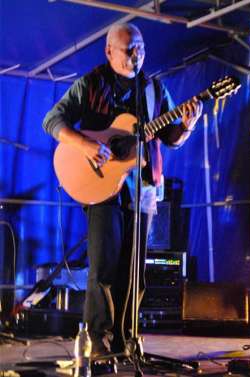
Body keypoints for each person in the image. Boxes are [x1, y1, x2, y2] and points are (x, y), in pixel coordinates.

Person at [42, 23, 203, 356]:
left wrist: (187, 125)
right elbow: (52, 120)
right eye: (129, 49)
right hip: (101, 187)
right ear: (109, 52)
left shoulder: (154, 90)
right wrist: (85, 145)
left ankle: (126, 338)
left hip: (141, 190)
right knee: (103, 267)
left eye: (141, 47)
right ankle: (96, 339)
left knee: (134, 272)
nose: (137, 54)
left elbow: (171, 138)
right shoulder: (90, 84)